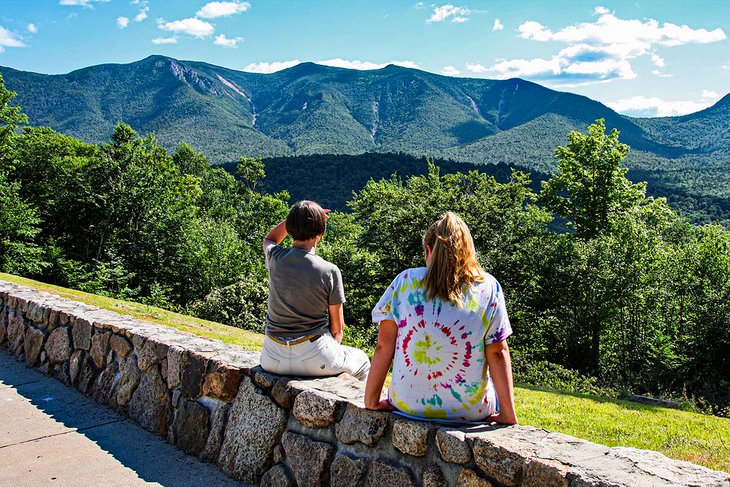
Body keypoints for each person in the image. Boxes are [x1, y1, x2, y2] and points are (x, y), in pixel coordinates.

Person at [364, 212, 517, 423]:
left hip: (407, 407)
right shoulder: (489, 287)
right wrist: (508, 414)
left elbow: (383, 345)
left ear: (428, 250)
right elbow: (498, 352)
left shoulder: (404, 281)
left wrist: (371, 400)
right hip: (470, 412)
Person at [259, 200, 370, 380]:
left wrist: (296, 220)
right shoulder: (329, 271)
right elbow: (337, 330)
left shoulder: (275, 258)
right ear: (321, 233)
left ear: (291, 228)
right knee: (363, 361)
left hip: (271, 357)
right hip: (314, 356)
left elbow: (269, 239)